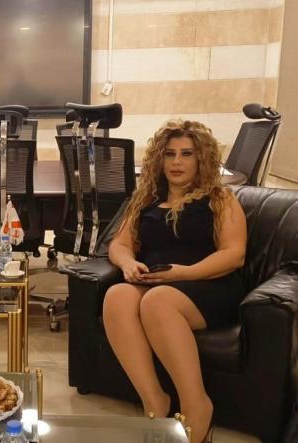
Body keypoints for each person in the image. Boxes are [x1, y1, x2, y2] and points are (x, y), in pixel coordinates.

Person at [104, 120, 247, 443]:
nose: (177, 162)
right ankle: (154, 400)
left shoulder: (219, 198)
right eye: (170, 154)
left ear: (201, 159)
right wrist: (128, 264)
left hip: (208, 283)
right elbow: (119, 245)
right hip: (158, 281)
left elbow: (234, 254)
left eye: (186, 154)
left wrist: (183, 273)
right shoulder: (146, 199)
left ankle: (197, 405)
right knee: (117, 296)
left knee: (158, 301)